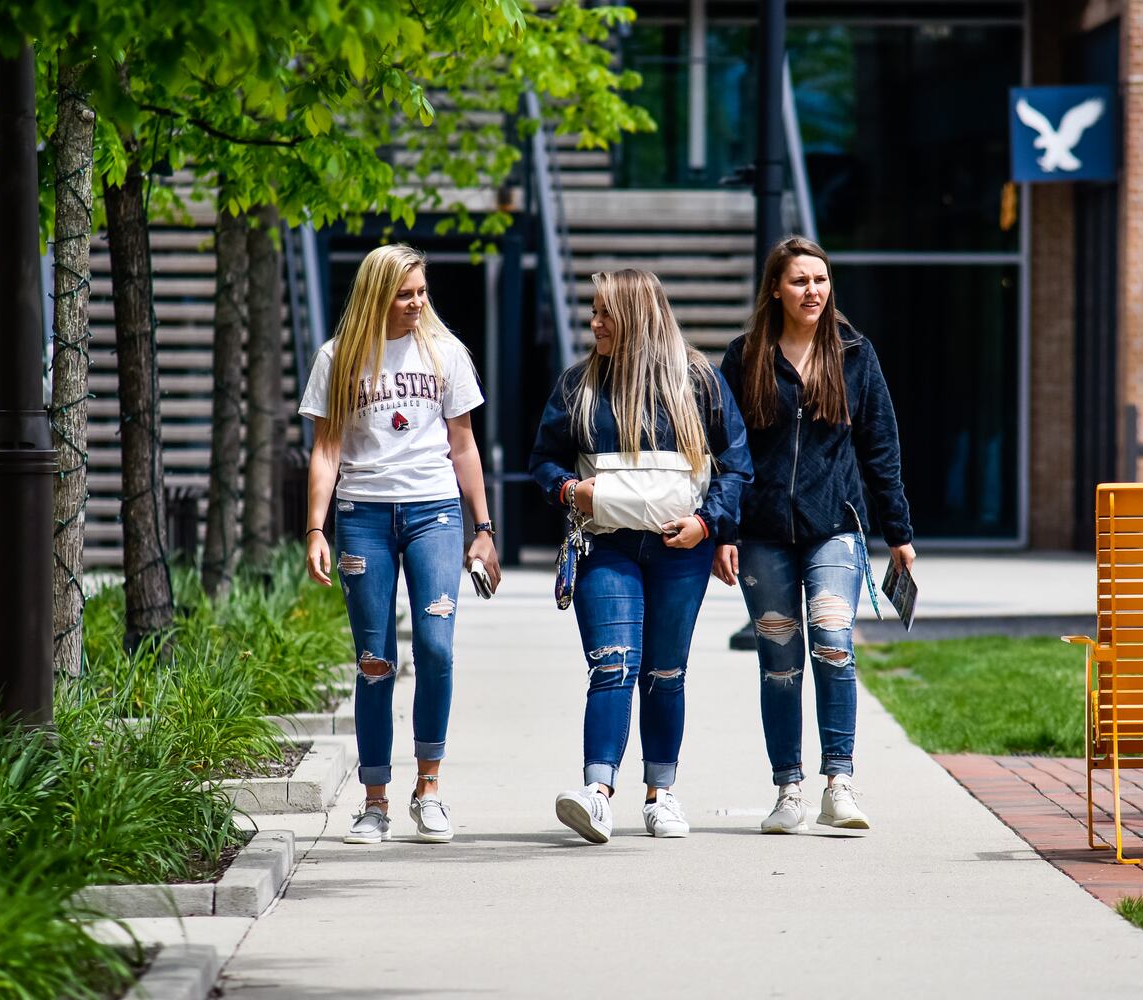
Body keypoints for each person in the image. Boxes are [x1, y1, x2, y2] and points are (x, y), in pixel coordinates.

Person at [530, 268, 751, 843]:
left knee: (664, 673)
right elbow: (544, 460)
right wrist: (567, 491)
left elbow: (736, 465)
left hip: (683, 550)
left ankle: (661, 793)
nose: (594, 322)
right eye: (593, 310)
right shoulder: (578, 386)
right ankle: (597, 794)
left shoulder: (698, 381)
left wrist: (707, 525)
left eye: (605, 312)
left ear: (636, 316)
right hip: (604, 545)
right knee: (612, 662)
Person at [300, 243, 500, 845]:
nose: (416, 303)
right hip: (362, 517)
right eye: (405, 293)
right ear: (376, 295)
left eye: (421, 292)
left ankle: (430, 787)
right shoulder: (337, 359)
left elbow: (464, 445)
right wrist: (316, 527)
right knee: (374, 660)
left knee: (436, 649)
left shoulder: (446, 353)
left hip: (434, 512)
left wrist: (484, 529)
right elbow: (327, 450)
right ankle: (375, 801)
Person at [716, 235, 914, 835]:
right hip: (762, 532)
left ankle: (839, 782)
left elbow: (880, 447)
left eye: (821, 281)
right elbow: (725, 449)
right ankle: (788, 790)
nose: (813, 292)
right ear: (776, 287)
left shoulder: (855, 353)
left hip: (836, 528)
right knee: (779, 660)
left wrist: (899, 532)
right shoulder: (744, 355)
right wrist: (722, 526)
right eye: (800, 281)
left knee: (832, 642)